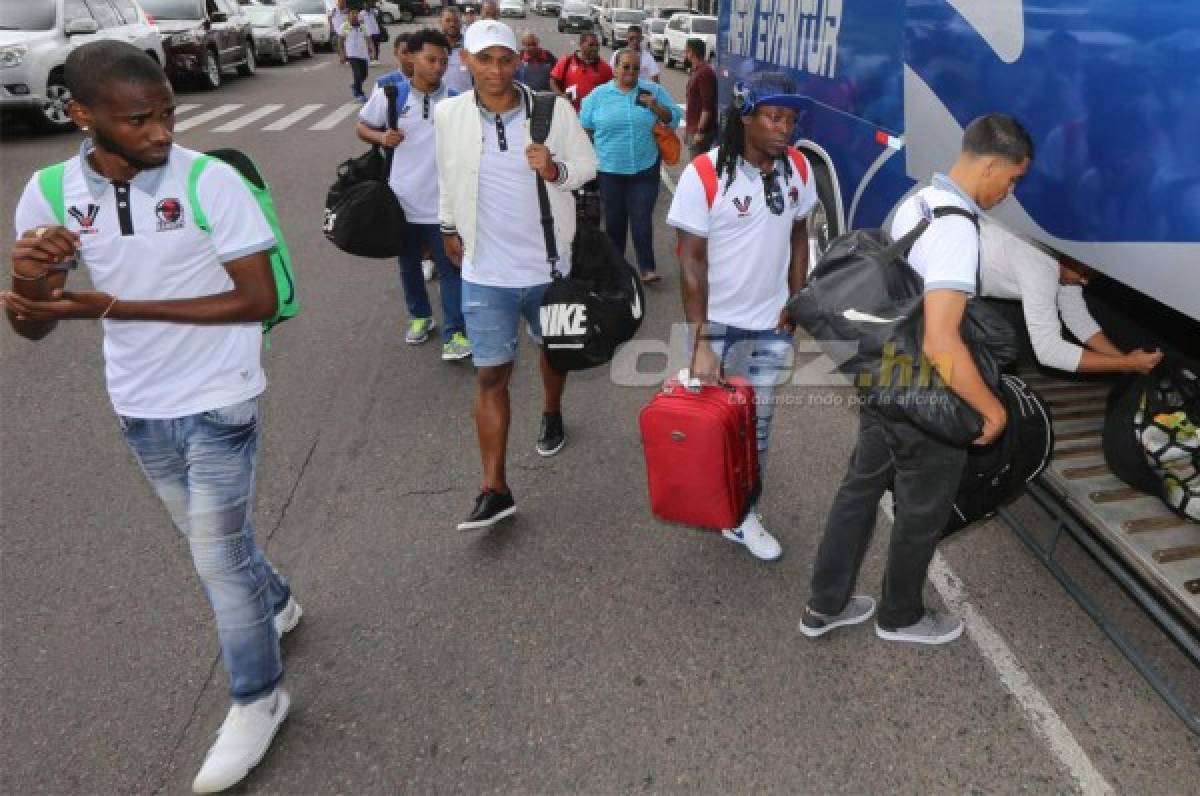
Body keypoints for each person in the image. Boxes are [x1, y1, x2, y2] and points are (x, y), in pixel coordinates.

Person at [3, 42, 299, 792]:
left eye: (166, 112)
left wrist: (110, 305)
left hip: (221, 393)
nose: (162, 131)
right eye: (139, 120)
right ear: (81, 116)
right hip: (137, 401)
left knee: (213, 556)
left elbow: (257, 300)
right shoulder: (45, 191)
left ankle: (259, 698)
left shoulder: (210, 180)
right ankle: (280, 602)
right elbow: (36, 324)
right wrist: (30, 278)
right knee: (212, 544)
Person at [801, 113, 1034, 645]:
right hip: (924, 391)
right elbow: (941, 340)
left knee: (858, 490)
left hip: (884, 376)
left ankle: (825, 604)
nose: (1010, 191)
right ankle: (900, 615)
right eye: (1014, 179)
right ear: (992, 164)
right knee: (922, 507)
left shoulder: (918, 200)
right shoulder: (956, 229)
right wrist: (992, 410)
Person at [434, 20, 597, 529]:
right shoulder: (449, 114)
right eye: (484, 59)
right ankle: (495, 487)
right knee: (490, 374)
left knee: (552, 352)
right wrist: (448, 225)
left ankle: (551, 411)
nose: (496, 70)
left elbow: (587, 168)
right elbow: (448, 173)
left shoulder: (552, 110)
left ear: (518, 61)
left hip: (549, 266)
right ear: (467, 61)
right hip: (485, 270)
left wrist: (553, 170)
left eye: (505, 59)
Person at [666, 74, 816, 561]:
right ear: (745, 117)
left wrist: (795, 302)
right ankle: (715, 502)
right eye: (775, 117)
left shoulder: (798, 168)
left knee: (759, 429)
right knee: (715, 428)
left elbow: (799, 236)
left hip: (770, 326)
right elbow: (691, 263)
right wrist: (701, 341)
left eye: (790, 119)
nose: (784, 128)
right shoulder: (706, 175)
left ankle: (742, 514)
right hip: (719, 327)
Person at [358, 29, 471, 359]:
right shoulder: (392, 95)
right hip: (402, 203)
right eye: (430, 59)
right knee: (408, 266)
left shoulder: (454, 101)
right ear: (411, 57)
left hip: (442, 205)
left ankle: (456, 333)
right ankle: (420, 317)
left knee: (451, 268)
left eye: (442, 61)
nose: (437, 67)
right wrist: (381, 139)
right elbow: (362, 126)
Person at [978, 219, 1163, 374]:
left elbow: (1077, 318)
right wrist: (1127, 364)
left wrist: (1126, 361)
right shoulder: (1039, 260)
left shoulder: (1066, 260)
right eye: (1084, 274)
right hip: (954, 285)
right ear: (1070, 256)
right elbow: (1049, 351)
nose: (1085, 282)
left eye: (1091, 276)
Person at [580, 48, 681, 282]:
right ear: (615, 68)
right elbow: (584, 126)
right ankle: (617, 270)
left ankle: (647, 268)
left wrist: (655, 107)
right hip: (609, 170)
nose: (631, 71)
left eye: (636, 67)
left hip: (644, 170)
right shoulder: (598, 95)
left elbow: (673, 118)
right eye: (625, 66)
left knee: (641, 218)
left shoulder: (652, 91)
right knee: (615, 222)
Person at [549, 32, 612, 112]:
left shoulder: (605, 68)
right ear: (581, 44)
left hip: (593, 115)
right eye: (591, 45)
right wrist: (561, 96)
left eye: (597, 45)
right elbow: (552, 81)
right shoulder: (567, 61)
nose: (595, 48)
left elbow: (612, 88)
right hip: (569, 112)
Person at [683, 38, 717, 158]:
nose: (684, 53)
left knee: (698, 169)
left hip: (700, 131)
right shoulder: (696, 70)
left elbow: (707, 106)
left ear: (691, 52)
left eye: (686, 50)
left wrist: (700, 131)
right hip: (693, 128)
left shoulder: (704, 73)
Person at [338, 6, 378, 102]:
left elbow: (369, 40)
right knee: (357, 74)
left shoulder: (363, 27)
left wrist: (373, 52)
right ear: (349, 15)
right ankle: (360, 94)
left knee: (364, 74)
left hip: (363, 54)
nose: (355, 15)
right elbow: (340, 42)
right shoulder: (345, 26)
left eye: (356, 13)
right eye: (352, 13)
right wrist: (342, 54)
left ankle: (355, 86)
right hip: (352, 55)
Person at [440, 7, 473, 94]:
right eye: (448, 20)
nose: (452, 24)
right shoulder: (435, 46)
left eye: (456, 21)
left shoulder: (470, 45)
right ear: (440, 22)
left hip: (466, 100)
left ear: (461, 22)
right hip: (440, 101)